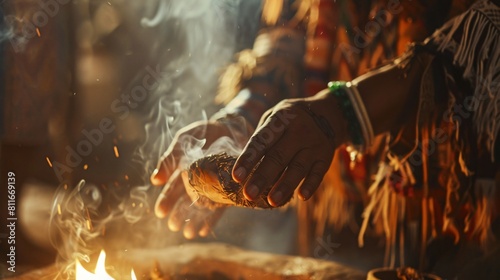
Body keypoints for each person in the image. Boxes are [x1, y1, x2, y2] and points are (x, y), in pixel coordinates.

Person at [152, 0, 499, 276]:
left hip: (446, 217)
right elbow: (282, 38)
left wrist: (338, 111)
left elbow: (479, 43)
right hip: (332, 212)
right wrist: (240, 117)